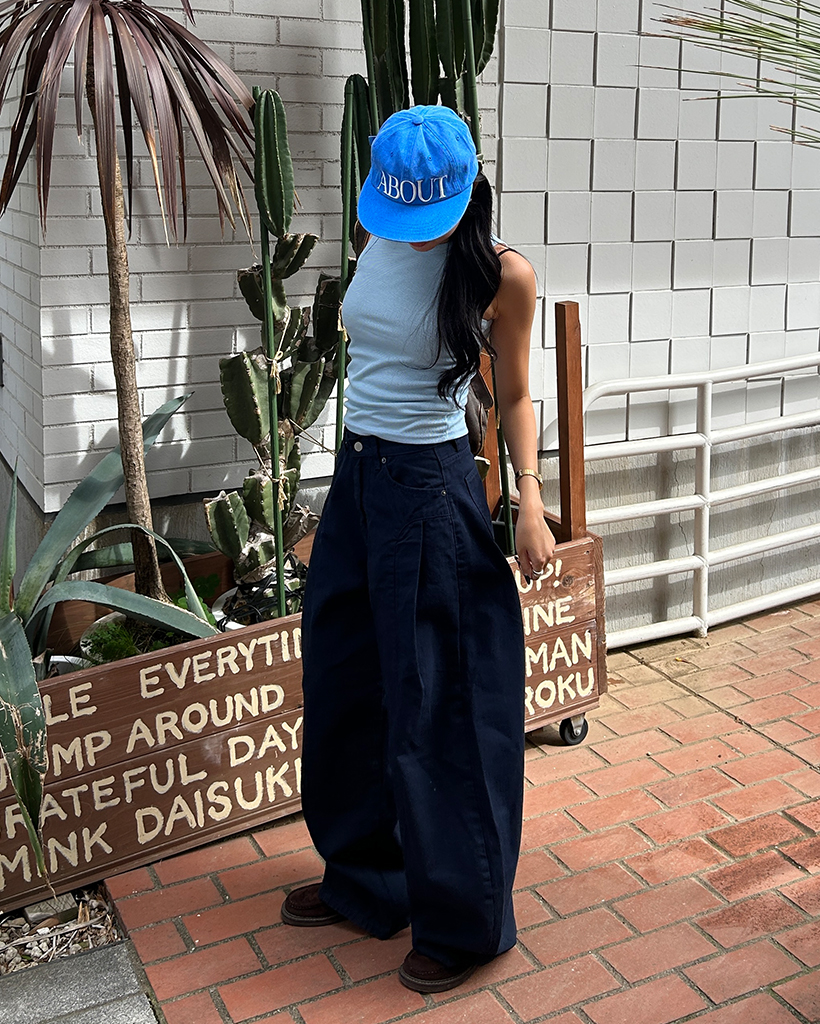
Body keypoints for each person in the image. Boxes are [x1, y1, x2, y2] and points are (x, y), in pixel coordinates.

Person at [281, 104, 555, 993]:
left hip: (431, 489)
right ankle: (370, 878)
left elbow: (514, 393)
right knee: (346, 680)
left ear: (466, 190)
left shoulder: (502, 274)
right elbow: (368, 362)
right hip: (359, 478)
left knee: (443, 703)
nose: (411, 229)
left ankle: (466, 921)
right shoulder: (381, 233)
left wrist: (529, 497)